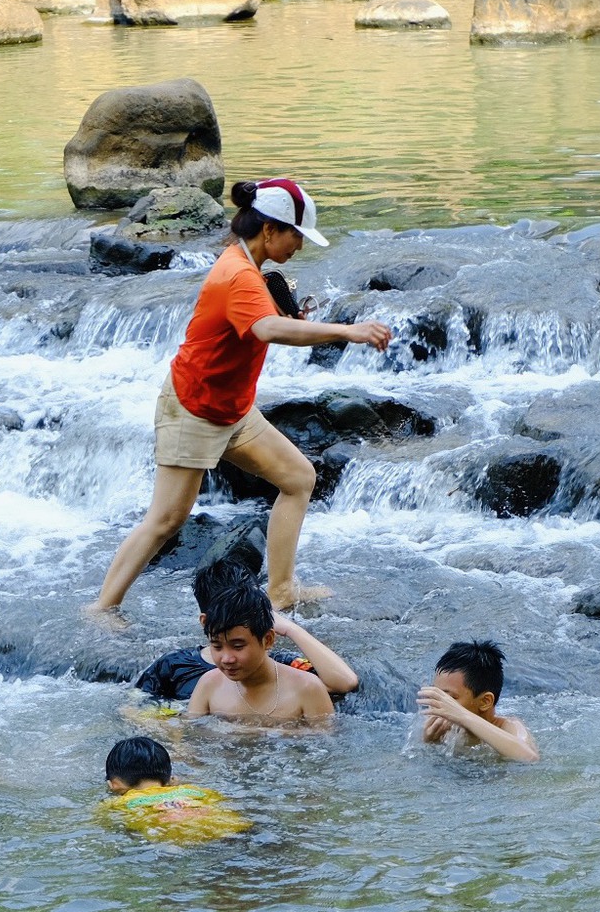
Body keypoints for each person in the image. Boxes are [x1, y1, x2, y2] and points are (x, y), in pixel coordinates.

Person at [88, 179, 393, 622]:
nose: (300, 247)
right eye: (297, 236)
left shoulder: (249, 267)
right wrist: (348, 331)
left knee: (298, 478)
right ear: (269, 230)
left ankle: (282, 589)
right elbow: (267, 330)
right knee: (167, 519)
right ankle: (102, 607)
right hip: (193, 407)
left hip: (232, 409)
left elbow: (262, 322)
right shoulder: (237, 273)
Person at [135, 566, 360, 701]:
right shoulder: (173, 667)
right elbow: (136, 707)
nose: (228, 658)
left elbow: (344, 682)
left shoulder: (277, 667)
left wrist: (292, 629)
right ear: (205, 620)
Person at [186, 586, 335, 726]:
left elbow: (326, 742)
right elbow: (188, 739)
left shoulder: (307, 688)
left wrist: (243, 732)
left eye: (238, 647)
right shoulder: (209, 684)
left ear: (267, 640)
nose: (226, 659)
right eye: (217, 647)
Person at [100, 736, 250, 844]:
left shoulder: (117, 804)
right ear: (171, 779)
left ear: (115, 784)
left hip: (173, 839)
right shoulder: (197, 791)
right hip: (230, 829)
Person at [416, 640, 539, 762]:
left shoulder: (509, 726)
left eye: (450, 699)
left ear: (485, 701)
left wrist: (461, 715)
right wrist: (431, 744)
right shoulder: (448, 732)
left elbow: (530, 758)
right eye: (437, 696)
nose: (440, 705)